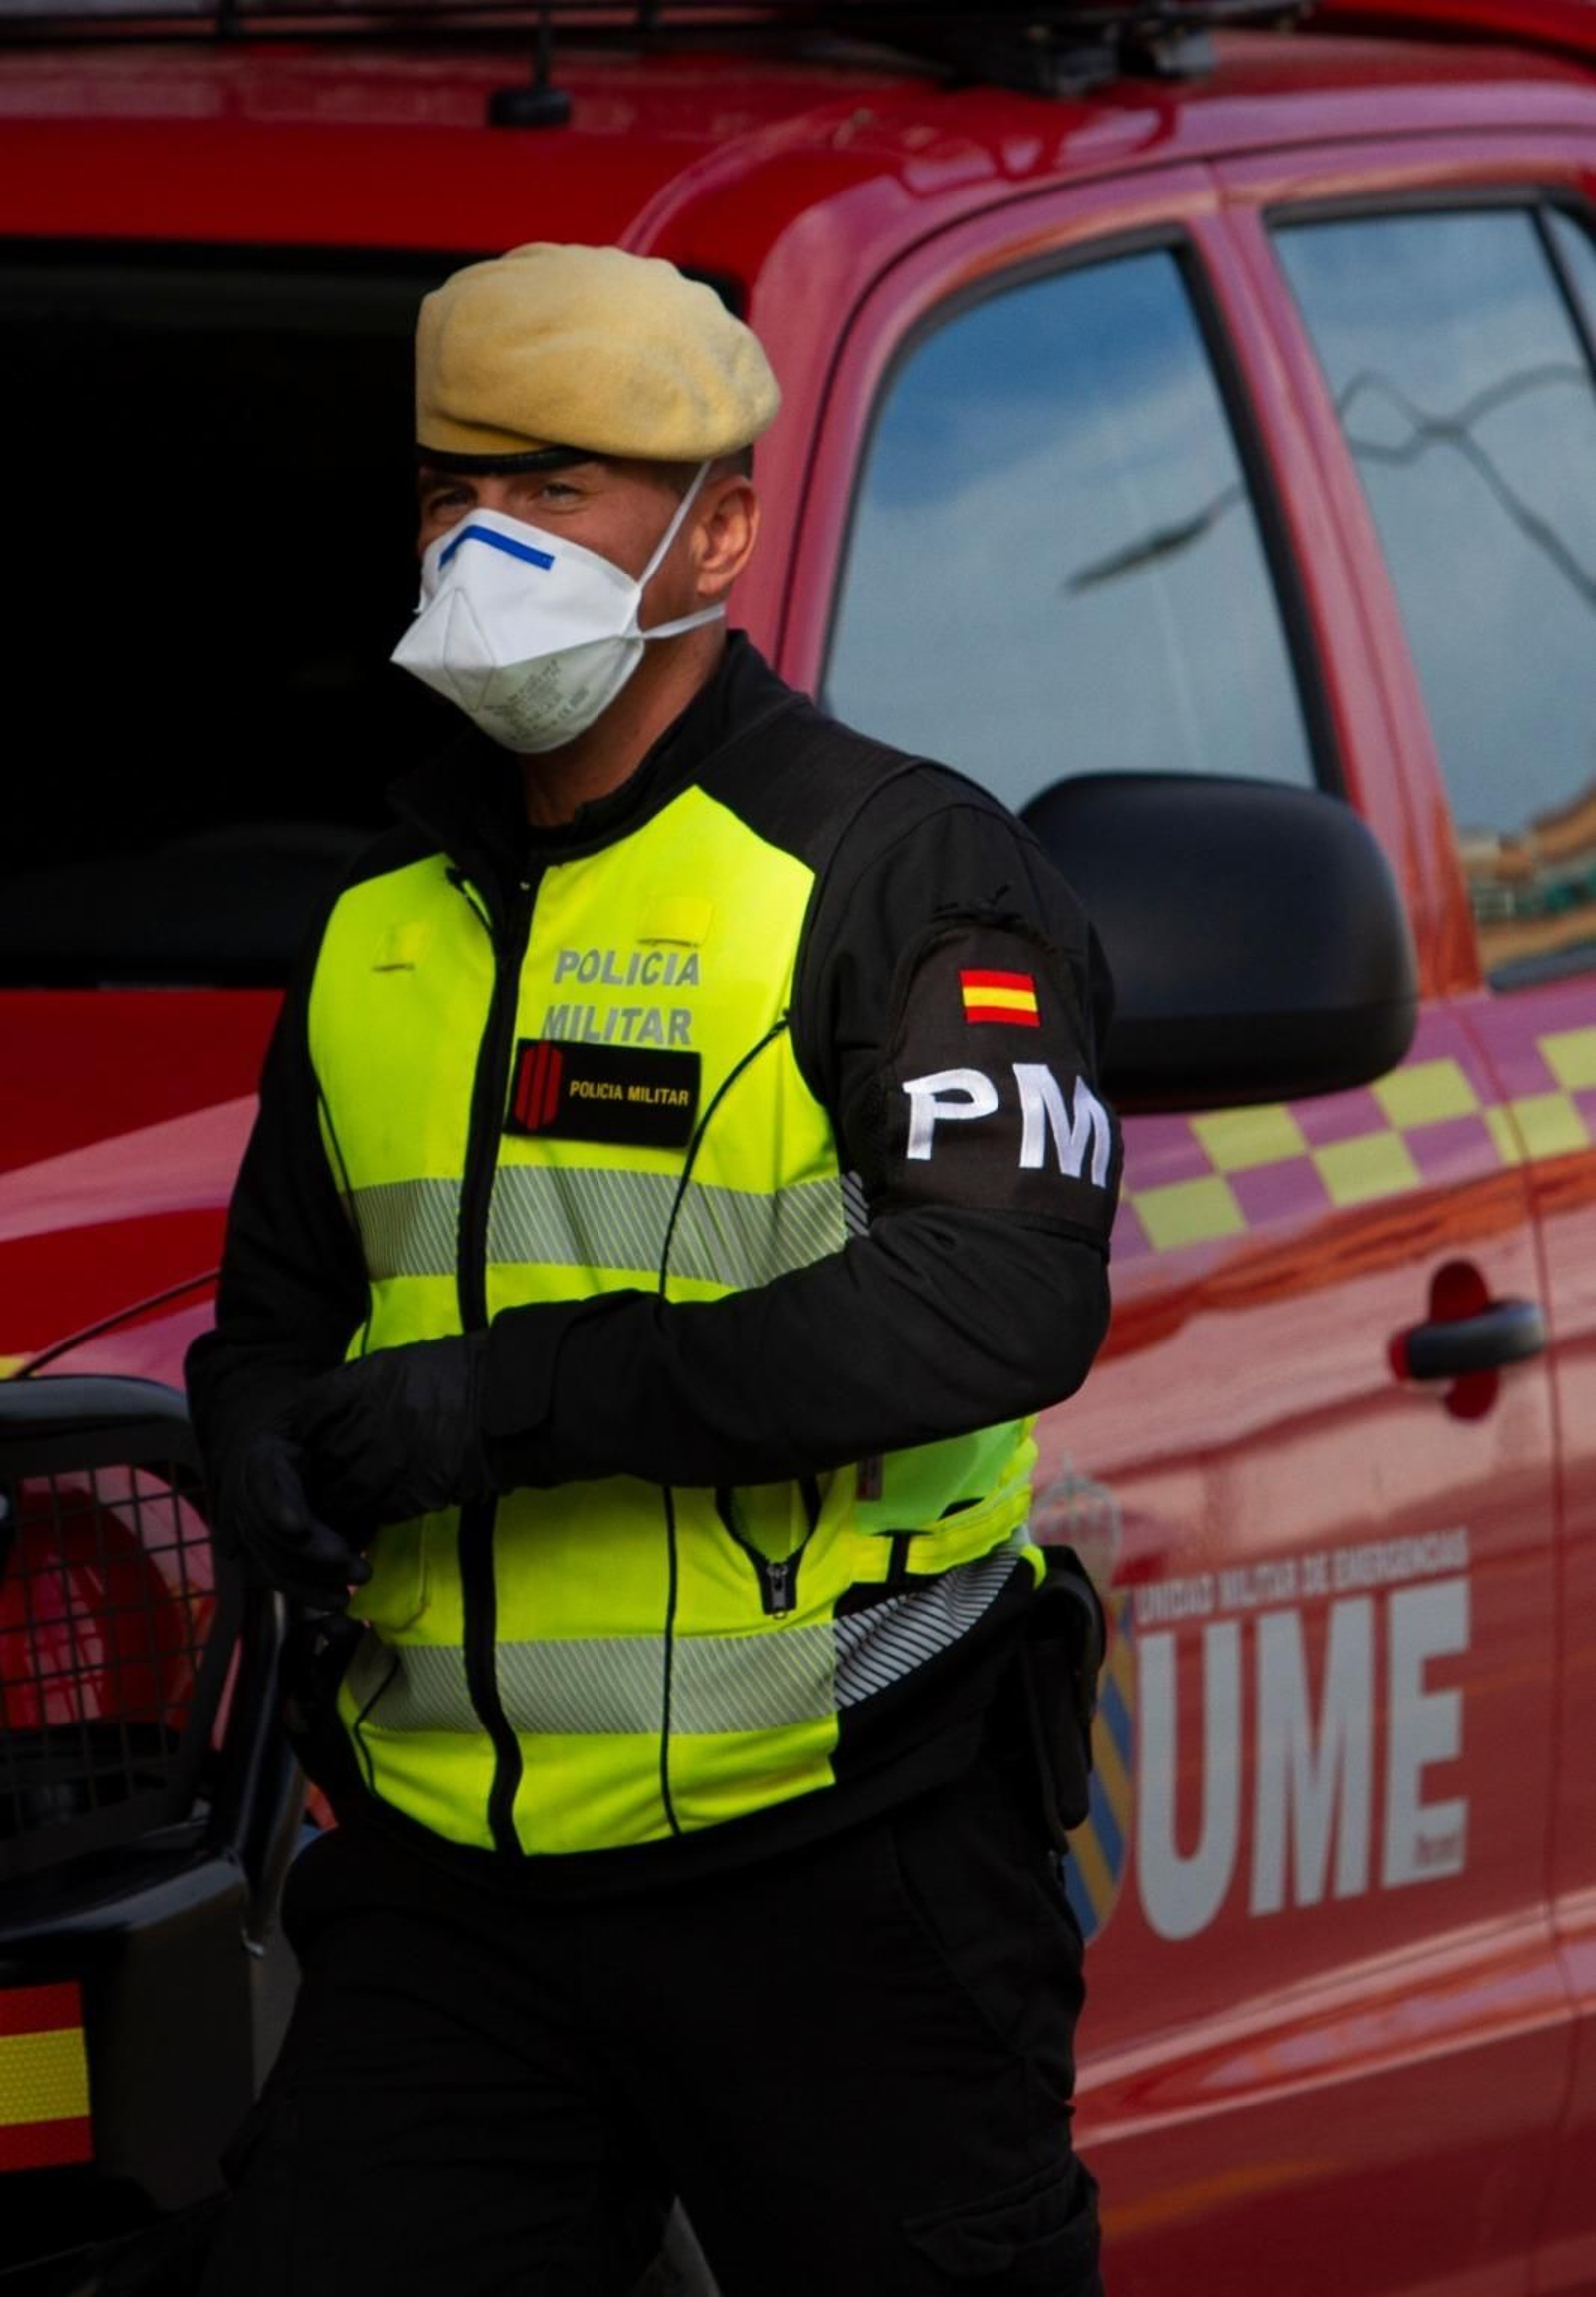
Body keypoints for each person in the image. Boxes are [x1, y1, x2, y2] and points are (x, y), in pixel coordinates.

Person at [187, 240, 1121, 2297]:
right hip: (454, 1893)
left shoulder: (893, 872)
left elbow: (999, 1299)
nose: (486, 543)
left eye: (557, 486)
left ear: (719, 524)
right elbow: (275, 1312)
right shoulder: (383, 927)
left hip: (836, 1866)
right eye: (451, 491)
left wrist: (509, 1403)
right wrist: (254, 1439)